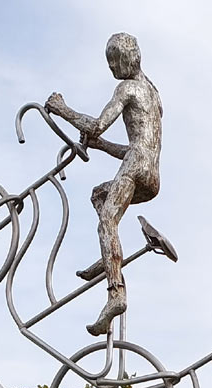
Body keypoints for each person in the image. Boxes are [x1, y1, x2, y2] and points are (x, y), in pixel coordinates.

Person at [45, 33, 162, 336]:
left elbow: (97, 124)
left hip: (135, 167)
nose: (111, 69)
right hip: (150, 174)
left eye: (113, 62)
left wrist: (63, 109)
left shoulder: (127, 88)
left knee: (106, 221)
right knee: (99, 195)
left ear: (124, 59)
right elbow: (139, 147)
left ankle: (116, 296)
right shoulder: (152, 93)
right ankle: (110, 255)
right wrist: (100, 146)